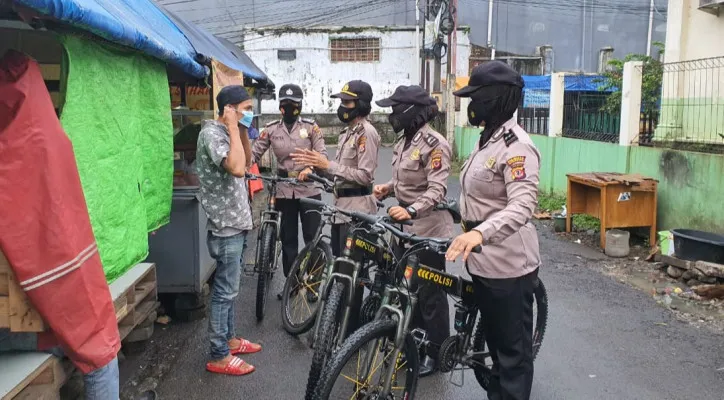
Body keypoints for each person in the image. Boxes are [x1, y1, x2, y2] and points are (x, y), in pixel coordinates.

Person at [445, 61, 542, 400]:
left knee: (512, 358)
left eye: (477, 98)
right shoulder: (487, 138)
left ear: (498, 99)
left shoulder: (517, 146)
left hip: (508, 266)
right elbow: (479, 193)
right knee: (499, 349)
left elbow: (521, 206)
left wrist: (479, 233)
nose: (472, 106)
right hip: (482, 262)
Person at [373, 85, 453, 377]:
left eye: (396, 109)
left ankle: (437, 352)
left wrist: (411, 210)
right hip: (404, 226)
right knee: (406, 288)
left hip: (428, 228)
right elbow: (407, 178)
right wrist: (388, 187)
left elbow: (436, 189)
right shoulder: (404, 141)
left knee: (431, 294)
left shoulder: (435, 143)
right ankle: (414, 343)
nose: (392, 115)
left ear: (411, 111)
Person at [291, 80, 380, 333]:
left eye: (348, 102)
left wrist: (327, 164)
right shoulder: (347, 134)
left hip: (358, 211)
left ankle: (351, 331)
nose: (342, 107)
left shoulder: (366, 134)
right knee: (342, 270)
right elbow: (338, 175)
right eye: (341, 102)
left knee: (355, 273)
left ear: (360, 104)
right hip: (342, 210)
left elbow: (364, 176)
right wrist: (317, 167)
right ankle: (340, 324)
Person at [197, 85, 262, 376]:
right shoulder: (212, 134)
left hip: (238, 221)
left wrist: (243, 130)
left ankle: (231, 339)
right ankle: (219, 354)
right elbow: (236, 168)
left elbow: (247, 161)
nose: (250, 113)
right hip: (225, 227)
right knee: (224, 290)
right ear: (228, 110)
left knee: (231, 288)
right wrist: (235, 129)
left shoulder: (232, 133)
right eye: (245, 109)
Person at [252, 84, 327, 281]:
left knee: (313, 237)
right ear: (280, 106)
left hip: (309, 188)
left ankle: (314, 281)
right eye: (285, 103)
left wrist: (311, 168)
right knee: (288, 238)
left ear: (300, 106)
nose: (289, 107)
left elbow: (322, 154)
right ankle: (291, 283)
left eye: (294, 104)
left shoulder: (311, 128)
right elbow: (254, 153)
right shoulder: (271, 129)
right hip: (284, 190)